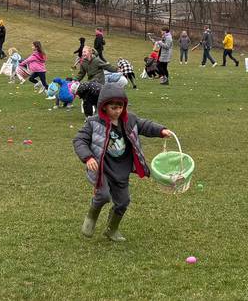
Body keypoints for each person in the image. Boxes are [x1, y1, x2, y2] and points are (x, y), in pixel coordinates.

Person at [73, 82, 173, 241]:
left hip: (121, 168)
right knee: (103, 195)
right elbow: (79, 140)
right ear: (104, 106)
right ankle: (91, 217)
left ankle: (111, 229)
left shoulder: (129, 119)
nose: (117, 111)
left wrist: (161, 130)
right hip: (102, 168)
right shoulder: (93, 122)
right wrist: (88, 157)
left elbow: (145, 125)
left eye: (120, 107)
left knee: (123, 202)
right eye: (113, 107)